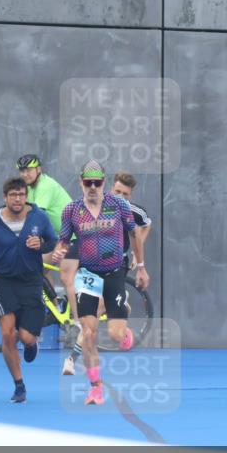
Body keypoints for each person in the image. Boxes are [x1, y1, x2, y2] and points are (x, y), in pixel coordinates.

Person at [51, 160, 149, 405]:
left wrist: (141, 267)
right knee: (89, 332)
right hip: (88, 275)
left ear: (104, 183)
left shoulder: (118, 205)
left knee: (115, 333)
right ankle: (95, 387)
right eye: (88, 182)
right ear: (81, 183)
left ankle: (123, 332)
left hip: (115, 271)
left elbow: (135, 232)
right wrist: (58, 251)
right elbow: (63, 240)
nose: (92, 186)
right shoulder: (71, 210)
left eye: (97, 182)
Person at [0, 177, 58, 403]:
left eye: (21, 194)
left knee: (26, 336)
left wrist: (41, 245)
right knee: (7, 334)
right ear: (5, 198)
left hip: (32, 282)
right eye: (13, 195)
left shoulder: (39, 217)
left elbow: (53, 241)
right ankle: (19, 385)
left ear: (26, 196)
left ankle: (32, 344)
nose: (18, 199)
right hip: (3, 282)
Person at [15, 154, 80, 321]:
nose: (25, 174)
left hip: (75, 236)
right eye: (22, 171)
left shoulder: (45, 186)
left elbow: (37, 216)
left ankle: (79, 321)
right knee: (39, 267)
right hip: (60, 238)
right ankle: (57, 307)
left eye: (29, 170)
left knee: (66, 277)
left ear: (39, 169)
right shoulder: (29, 188)